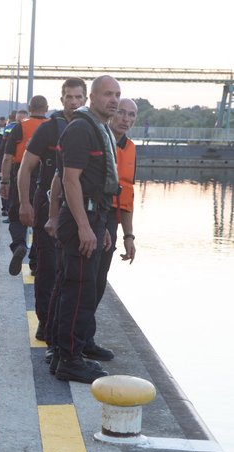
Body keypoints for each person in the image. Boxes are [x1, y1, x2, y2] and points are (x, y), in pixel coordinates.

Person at [51, 75, 121, 383]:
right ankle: (69, 359)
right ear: (92, 97)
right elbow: (70, 180)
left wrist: (101, 225)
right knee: (78, 289)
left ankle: (65, 353)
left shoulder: (101, 129)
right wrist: (84, 226)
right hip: (83, 217)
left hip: (95, 216)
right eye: (108, 94)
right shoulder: (81, 129)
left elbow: (97, 184)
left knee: (79, 287)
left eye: (117, 94)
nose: (114, 100)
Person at [16, 78, 87, 344]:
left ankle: (68, 326)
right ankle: (45, 323)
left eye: (79, 97)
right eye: (69, 97)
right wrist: (24, 203)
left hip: (78, 207)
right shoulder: (48, 129)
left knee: (73, 270)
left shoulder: (92, 129)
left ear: (86, 100)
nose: (74, 102)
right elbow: (25, 168)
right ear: (62, 100)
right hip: (47, 203)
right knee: (48, 268)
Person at [94, 97, 138, 321]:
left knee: (100, 279)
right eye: (122, 112)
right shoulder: (97, 139)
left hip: (112, 218)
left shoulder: (131, 149)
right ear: (112, 113)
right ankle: (64, 341)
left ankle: (84, 338)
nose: (126, 119)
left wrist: (128, 236)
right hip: (91, 213)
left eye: (131, 115)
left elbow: (128, 197)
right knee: (81, 280)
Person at [1, 97, 49, 276]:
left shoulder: (19, 127)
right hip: (46, 175)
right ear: (47, 108)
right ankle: (36, 262)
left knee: (17, 214)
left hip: (21, 172)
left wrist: (4, 181)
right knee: (41, 219)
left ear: (29, 108)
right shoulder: (52, 127)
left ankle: (20, 244)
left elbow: (6, 157)